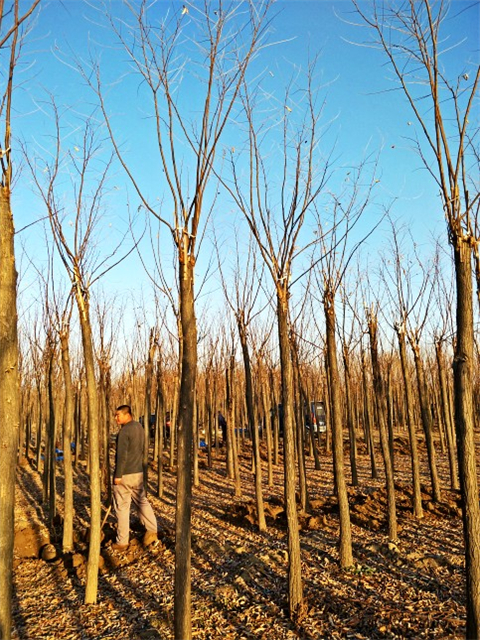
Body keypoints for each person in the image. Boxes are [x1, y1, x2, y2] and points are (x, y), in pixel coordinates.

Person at [111, 404, 158, 551]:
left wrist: (118, 475)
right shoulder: (139, 427)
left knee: (122, 508)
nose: (116, 418)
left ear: (127, 414)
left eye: (118, 415)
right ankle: (153, 529)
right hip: (137, 473)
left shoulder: (124, 432)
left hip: (125, 475)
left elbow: (121, 456)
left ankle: (122, 541)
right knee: (142, 501)